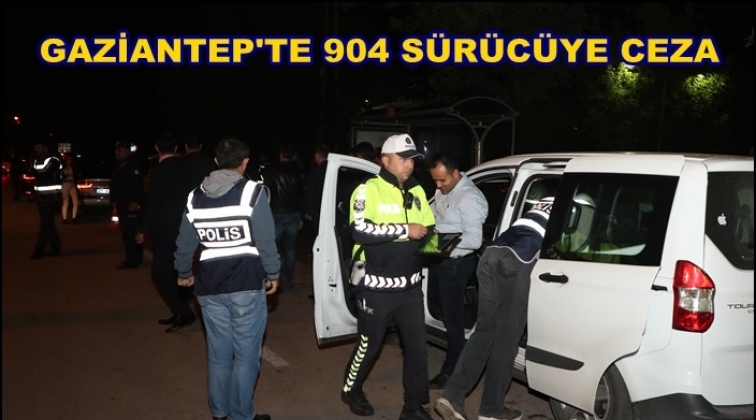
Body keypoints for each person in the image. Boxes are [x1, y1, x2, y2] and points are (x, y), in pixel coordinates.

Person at [173, 138, 279, 420]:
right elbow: (266, 239)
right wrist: (273, 273)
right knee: (246, 357)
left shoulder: (195, 197)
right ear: (245, 162)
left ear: (217, 162)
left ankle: (220, 413)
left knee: (219, 355)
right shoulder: (253, 193)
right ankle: (242, 415)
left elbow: (184, 241)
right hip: (246, 284)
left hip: (209, 287)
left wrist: (183, 272)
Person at [340, 133, 436, 420]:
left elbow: (428, 228)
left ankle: (412, 406)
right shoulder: (367, 190)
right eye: (403, 159)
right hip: (374, 286)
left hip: (410, 287)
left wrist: (441, 245)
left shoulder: (417, 190)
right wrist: (404, 230)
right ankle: (351, 389)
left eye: (413, 159)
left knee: (417, 349)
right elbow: (359, 230)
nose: (409, 165)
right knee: (369, 345)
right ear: (385, 160)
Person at [434, 197, 554, 420]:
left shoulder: (546, 200)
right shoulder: (577, 204)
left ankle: (451, 396)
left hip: (490, 255)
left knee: (484, 331)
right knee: (506, 340)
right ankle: (492, 410)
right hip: (517, 260)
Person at [427, 153, 488, 389]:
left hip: (456, 264)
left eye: (442, 180)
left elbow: (474, 240)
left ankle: (452, 372)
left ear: (455, 173)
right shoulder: (444, 190)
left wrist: (437, 244)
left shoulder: (469, 197)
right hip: (441, 260)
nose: (438, 185)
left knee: (453, 322)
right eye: (434, 180)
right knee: (440, 304)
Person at [136, 132, 196, 333]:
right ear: (176, 148)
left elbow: (154, 203)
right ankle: (180, 309)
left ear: (157, 149)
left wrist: (142, 229)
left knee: (160, 272)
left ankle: (184, 312)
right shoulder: (184, 167)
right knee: (175, 269)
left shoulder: (159, 171)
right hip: (184, 225)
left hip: (166, 228)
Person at [263, 143, 305, 292]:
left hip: (277, 214)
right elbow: (302, 195)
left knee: (273, 249)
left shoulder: (272, 172)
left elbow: (266, 193)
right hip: (293, 214)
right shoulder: (299, 173)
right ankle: (288, 279)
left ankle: (273, 277)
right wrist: (301, 215)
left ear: (281, 156)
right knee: (290, 249)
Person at [111, 141, 146, 269]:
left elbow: (137, 185)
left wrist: (135, 201)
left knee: (130, 232)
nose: (116, 153)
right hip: (123, 204)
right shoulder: (123, 165)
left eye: (119, 150)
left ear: (126, 151)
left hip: (130, 205)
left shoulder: (133, 165)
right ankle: (133, 258)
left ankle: (133, 260)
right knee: (127, 232)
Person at [30, 141, 62, 259]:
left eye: (39, 147)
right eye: (36, 148)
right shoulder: (36, 161)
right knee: (49, 225)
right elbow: (36, 175)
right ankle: (55, 248)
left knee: (45, 225)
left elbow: (43, 173)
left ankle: (39, 250)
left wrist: (31, 171)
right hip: (41, 198)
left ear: (45, 148)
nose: (37, 150)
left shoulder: (53, 160)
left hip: (51, 198)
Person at [304, 142, 331, 230]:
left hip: (318, 212)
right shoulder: (334, 170)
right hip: (332, 212)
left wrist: (308, 211)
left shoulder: (315, 172)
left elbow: (310, 193)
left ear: (317, 155)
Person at [60, 154, 79, 224]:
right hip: (65, 184)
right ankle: (65, 219)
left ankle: (74, 217)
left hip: (72, 184)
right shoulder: (63, 167)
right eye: (68, 159)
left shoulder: (72, 166)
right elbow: (60, 176)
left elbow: (75, 175)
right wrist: (65, 175)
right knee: (66, 202)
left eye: (70, 159)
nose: (69, 160)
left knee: (76, 201)